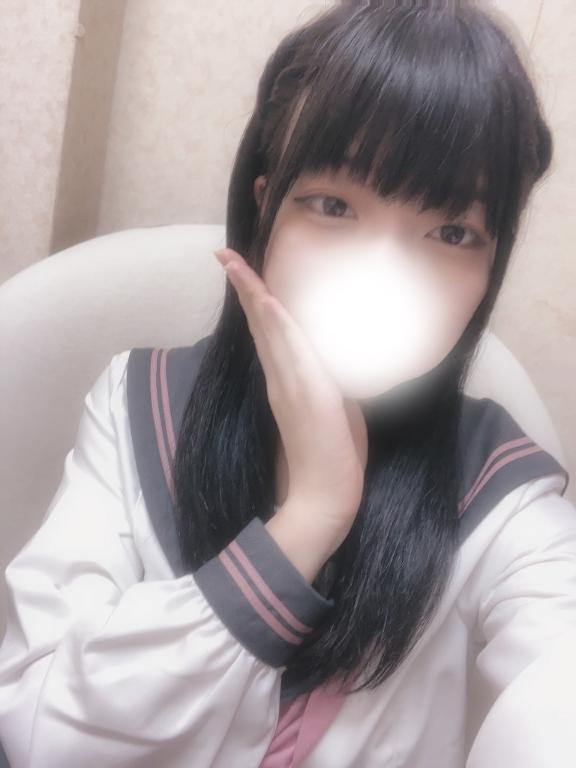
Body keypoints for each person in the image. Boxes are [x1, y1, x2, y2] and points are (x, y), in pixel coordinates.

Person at [1, 1, 575, 766]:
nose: (382, 279)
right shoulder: (137, 404)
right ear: (264, 206)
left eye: (451, 232)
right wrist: (308, 520)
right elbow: (41, 735)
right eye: (334, 205)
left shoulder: (500, 492)